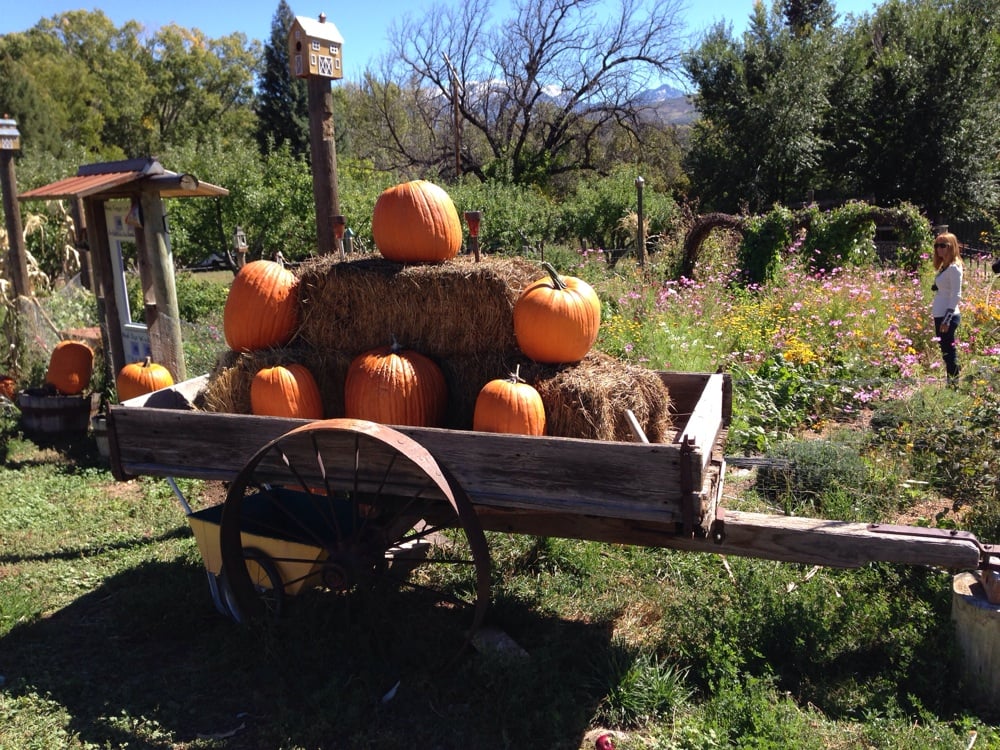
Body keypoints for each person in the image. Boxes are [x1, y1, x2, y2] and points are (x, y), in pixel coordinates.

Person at [931, 232, 963, 385]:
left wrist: (947, 319)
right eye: (937, 245)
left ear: (951, 247)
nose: (939, 249)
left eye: (943, 245)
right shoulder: (946, 267)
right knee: (945, 351)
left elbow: (956, 294)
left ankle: (954, 383)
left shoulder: (954, 268)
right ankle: (953, 378)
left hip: (947, 316)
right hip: (940, 314)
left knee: (948, 352)